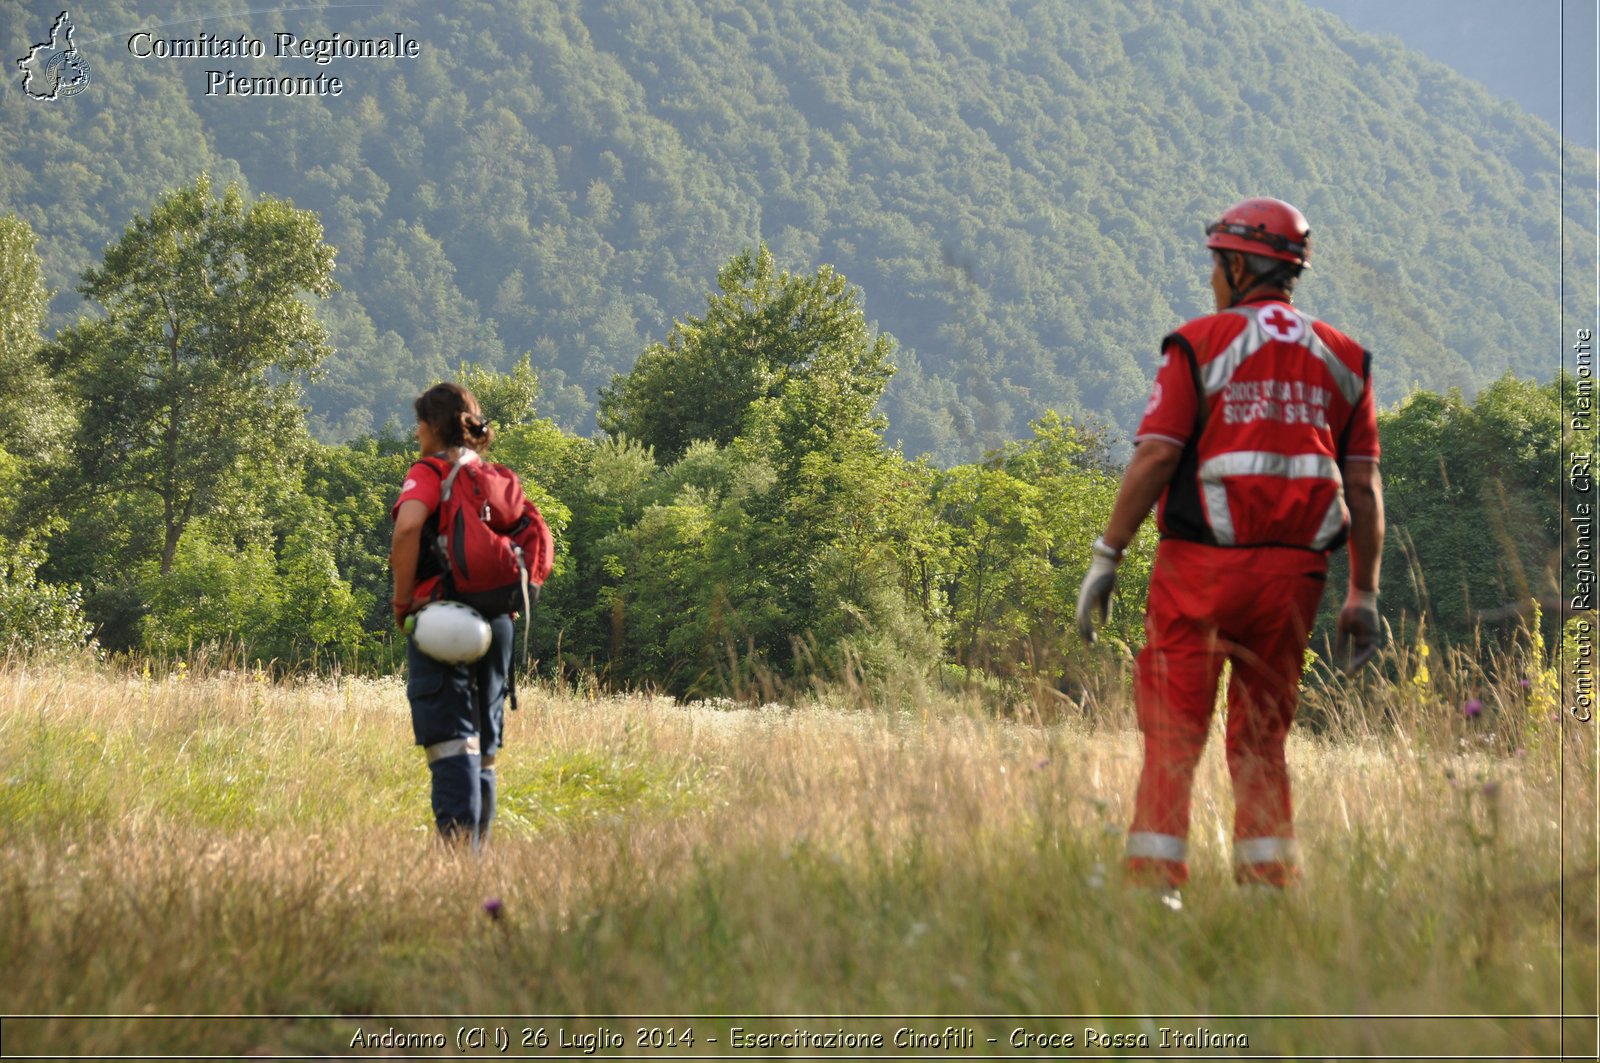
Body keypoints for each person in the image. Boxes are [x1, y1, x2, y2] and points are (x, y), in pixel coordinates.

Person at [1075, 197, 1385, 897]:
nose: (1213, 278)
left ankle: (1156, 890)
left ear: (1241, 265)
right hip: (1295, 580)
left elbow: (1156, 458)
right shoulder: (1345, 359)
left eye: (1218, 264)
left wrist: (1107, 555)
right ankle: (1265, 893)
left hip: (1200, 573)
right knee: (1261, 740)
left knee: (1173, 731)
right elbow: (1362, 487)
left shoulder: (1200, 344)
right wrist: (1363, 591)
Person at [390, 383, 516, 846]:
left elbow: (407, 530)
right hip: (498, 623)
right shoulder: (491, 475)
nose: (416, 431)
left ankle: (457, 859)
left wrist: (403, 602)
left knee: (450, 742)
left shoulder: (428, 470)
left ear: (433, 426)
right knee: (484, 749)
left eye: (419, 422)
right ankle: (475, 858)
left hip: (443, 619)